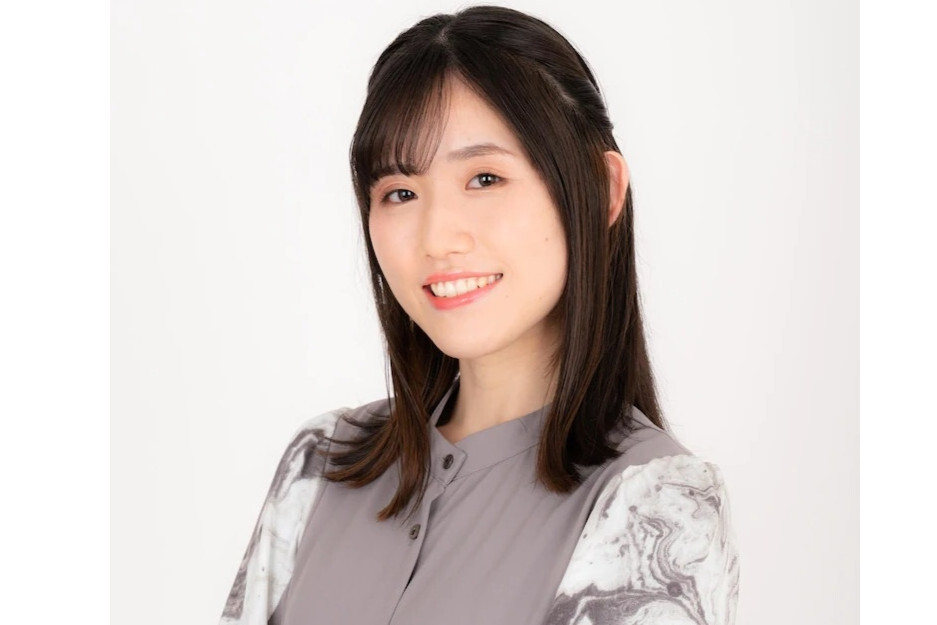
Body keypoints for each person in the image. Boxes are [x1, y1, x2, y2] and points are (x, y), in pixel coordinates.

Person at [219, 5, 739, 625]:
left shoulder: (658, 509)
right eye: (400, 193)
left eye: (485, 178)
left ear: (601, 190)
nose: (437, 238)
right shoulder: (320, 464)